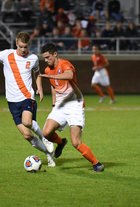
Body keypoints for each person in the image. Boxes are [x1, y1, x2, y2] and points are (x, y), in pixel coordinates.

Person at [0, 31, 56, 166]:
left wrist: (39, 87)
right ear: (16, 44)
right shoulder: (6, 54)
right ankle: (48, 153)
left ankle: (45, 138)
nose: (23, 50)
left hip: (27, 97)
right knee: (27, 135)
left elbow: (37, 73)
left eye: (26, 47)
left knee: (27, 122)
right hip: (12, 101)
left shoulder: (33, 58)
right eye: (21, 46)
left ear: (29, 45)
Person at [39, 42, 104, 172]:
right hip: (60, 105)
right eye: (44, 58)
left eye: (48, 57)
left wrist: (50, 75)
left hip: (74, 104)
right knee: (46, 133)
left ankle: (97, 164)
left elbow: (69, 76)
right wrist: (53, 104)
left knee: (76, 142)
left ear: (55, 54)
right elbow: (53, 86)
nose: (46, 61)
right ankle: (61, 142)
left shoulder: (65, 64)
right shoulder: (47, 69)